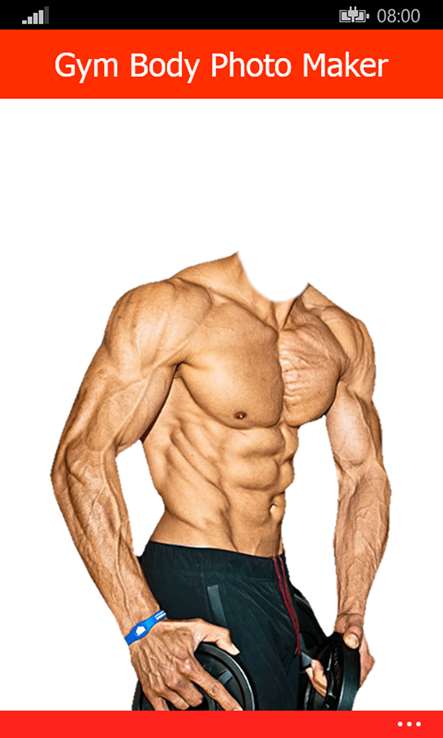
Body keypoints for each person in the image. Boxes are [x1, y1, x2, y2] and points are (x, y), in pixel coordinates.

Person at [51, 251, 391, 710]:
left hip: (277, 583)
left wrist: (352, 613)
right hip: (196, 571)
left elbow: (363, 474)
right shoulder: (174, 309)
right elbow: (79, 458)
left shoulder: (340, 333)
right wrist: (141, 626)